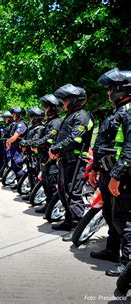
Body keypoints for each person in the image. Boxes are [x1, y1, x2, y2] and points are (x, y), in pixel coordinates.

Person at [87, 70, 128, 265]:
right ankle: (112, 250)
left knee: (123, 220)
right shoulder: (115, 111)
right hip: (106, 171)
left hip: (121, 175)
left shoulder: (128, 111)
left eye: (111, 89)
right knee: (110, 215)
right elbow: (102, 143)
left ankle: (127, 265)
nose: (108, 93)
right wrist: (95, 168)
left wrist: (117, 175)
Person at [49, 84, 94, 242]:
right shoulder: (70, 115)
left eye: (66, 100)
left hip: (75, 161)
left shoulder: (82, 116)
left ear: (75, 100)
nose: (63, 103)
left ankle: (77, 227)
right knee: (63, 191)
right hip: (65, 160)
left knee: (73, 194)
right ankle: (68, 221)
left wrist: (55, 148)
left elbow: (74, 139)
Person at [29, 95, 63, 213]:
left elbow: (49, 138)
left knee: (52, 184)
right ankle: (48, 205)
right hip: (44, 157)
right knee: (45, 183)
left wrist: (35, 143)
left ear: (53, 108)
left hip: (51, 159)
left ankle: (52, 208)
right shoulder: (50, 122)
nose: (45, 110)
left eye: (46, 107)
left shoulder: (56, 122)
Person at [6, 106, 28, 186]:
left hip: (19, 150)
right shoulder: (17, 124)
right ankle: (19, 184)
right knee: (14, 166)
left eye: (14, 114)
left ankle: (23, 185)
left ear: (18, 115)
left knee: (18, 167)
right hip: (14, 149)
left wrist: (8, 141)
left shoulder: (21, 124)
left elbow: (15, 137)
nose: (12, 116)